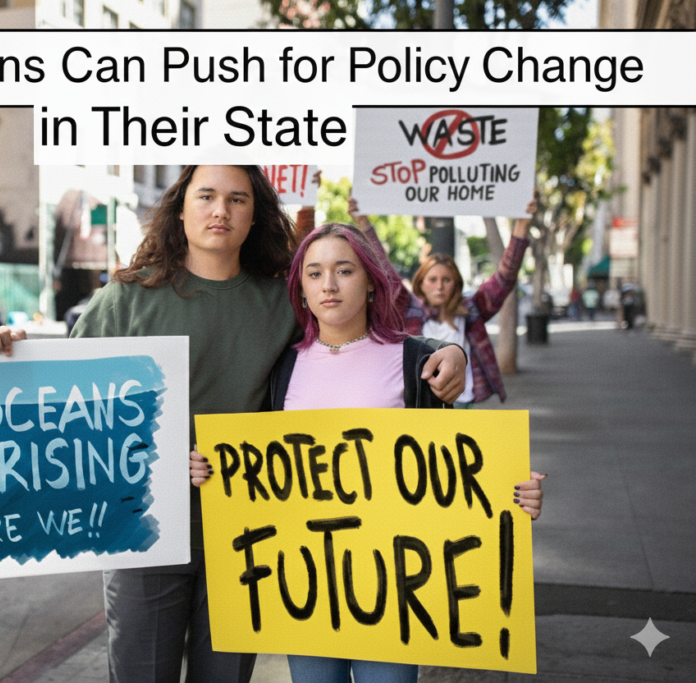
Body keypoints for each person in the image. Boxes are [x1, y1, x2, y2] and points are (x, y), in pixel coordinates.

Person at [0, 165, 468, 683]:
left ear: (255, 216)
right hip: (145, 533)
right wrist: (3, 355)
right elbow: (59, 401)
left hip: (246, 536)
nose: (220, 210)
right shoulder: (125, 299)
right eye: (206, 195)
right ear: (180, 207)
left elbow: (360, 339)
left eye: (237, 199)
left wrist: (449, 350)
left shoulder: (283, 300)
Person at [190, 222, 546, 683]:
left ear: (373, 285)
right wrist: (208, 467)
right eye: (314, 274)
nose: (329, 286)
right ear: (300, 288)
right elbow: (254, 468)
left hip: (397, 590)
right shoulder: (279, 368)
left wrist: (515, 493)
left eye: (344, 271)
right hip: (307, 586)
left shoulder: (417, 362)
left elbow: (454, 471)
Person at [349, 197, 536, 408]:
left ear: (455, 284)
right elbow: (383, 268)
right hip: (419, 403)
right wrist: (363, 223)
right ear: (421, 283)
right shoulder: (408, 309)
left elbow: (505, 278)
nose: (439, 286)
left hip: (463, 403)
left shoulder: (472, 311)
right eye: (433, 280)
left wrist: (522, 225)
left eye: (446, 280)